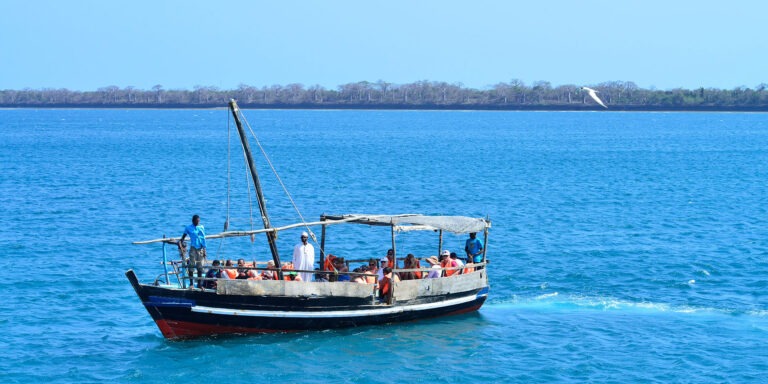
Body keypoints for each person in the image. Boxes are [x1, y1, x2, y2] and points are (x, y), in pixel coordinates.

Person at [179, 214, 206, 288]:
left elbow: (203, 239)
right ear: (193, 221)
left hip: (200, 248)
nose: (198, 222)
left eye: (199, 221)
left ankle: (199, 284)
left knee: (200, 266)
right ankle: (191, 283)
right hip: (193, 247)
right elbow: (183, 236)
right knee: (191, 265)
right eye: (197, 221)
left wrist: (204, 250)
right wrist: (181, 244)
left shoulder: (201, 227)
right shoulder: (188, 228)